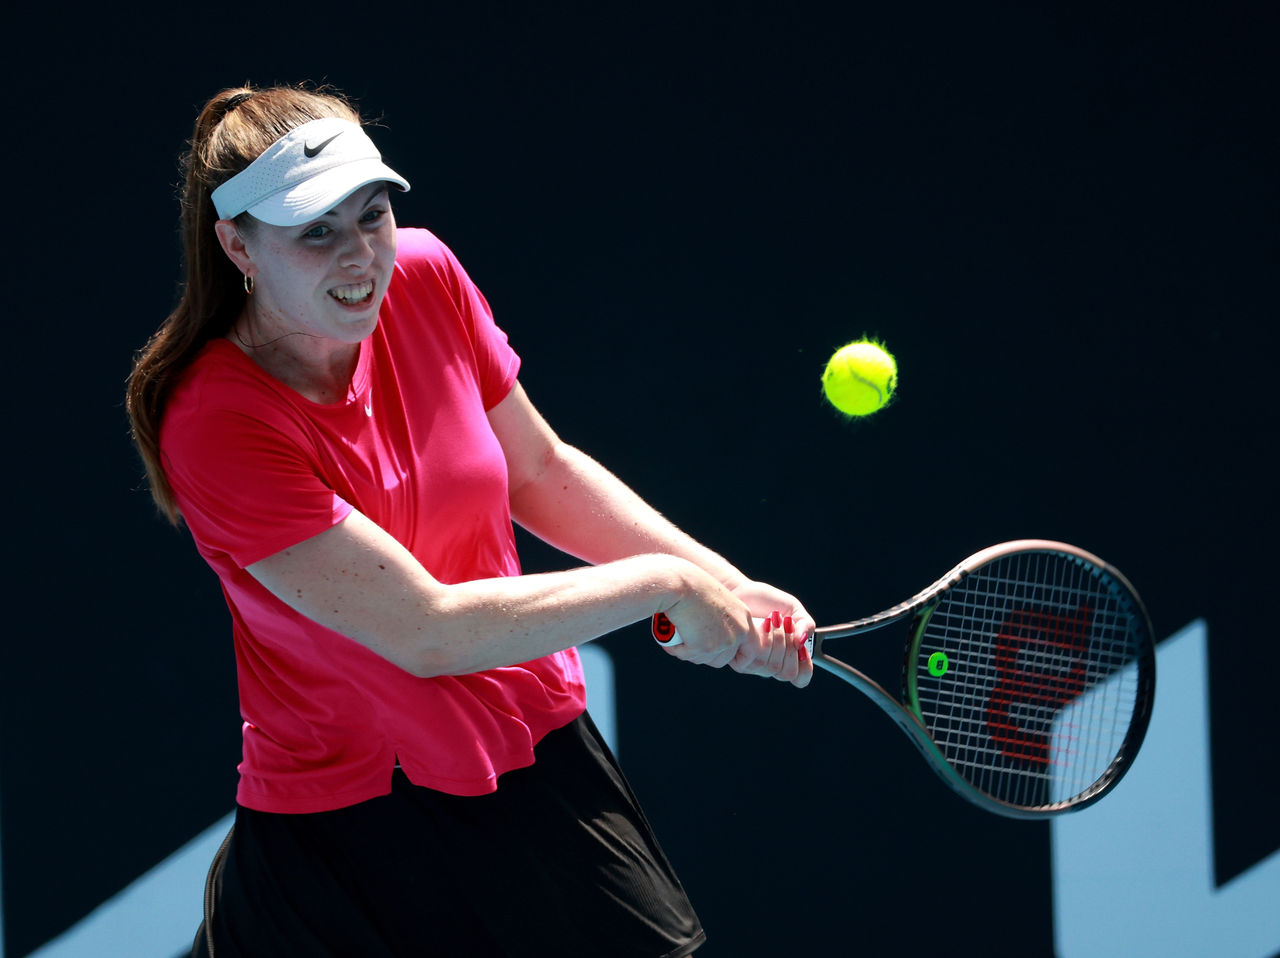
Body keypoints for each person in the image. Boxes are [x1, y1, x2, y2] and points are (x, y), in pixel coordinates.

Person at [126, 83, 814, 958]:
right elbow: (427, 633)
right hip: (344, 836)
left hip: (532, 762)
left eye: (370, 215)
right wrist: (668, 587)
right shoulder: (218, 423)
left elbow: (538, 469)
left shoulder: (423, 274)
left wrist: (723, 581)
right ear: (238, 247)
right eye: (316, 233)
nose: (359, 257)